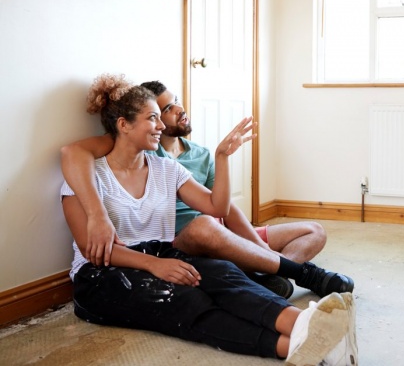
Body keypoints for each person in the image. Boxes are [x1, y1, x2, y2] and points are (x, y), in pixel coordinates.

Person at [61, 74, 357, 364]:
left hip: (162, 254)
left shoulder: (167, 170)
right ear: (123, 125)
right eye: (153, 118)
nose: (161, 126)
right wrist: (156, 265)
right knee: (187, 300)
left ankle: (309, 324)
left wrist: (222, 158)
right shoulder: (88, 176)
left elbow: (216, 207)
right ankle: (293, 346)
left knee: (223, 274)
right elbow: (93, 250)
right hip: (103, 273)